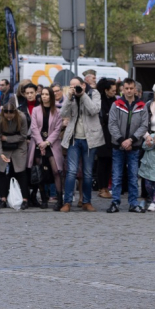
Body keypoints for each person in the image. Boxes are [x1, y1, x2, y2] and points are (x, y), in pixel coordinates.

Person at [59, 76, 104, 212]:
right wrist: (69, 97)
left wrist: (82, 95)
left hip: (90, 139)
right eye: (71, 86)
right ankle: (67, 202)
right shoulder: (70, 97)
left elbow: (94, 110)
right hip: (74, 138)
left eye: (76, 86)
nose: (75, 89)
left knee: (88, 173)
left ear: (83, 85)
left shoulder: (93, 94)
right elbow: (63, 113)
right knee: (71, 171)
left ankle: (86, 201)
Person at [106, 78, 148, 213]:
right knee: (117, 175)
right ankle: (115, 202)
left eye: (131, 88)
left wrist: (131, 140)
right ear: (122, 89)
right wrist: (122, 140)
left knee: (133, 175)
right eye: (126, 88)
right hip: (118, 145)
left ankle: (133, 203)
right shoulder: (116, 104)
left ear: (135, 89)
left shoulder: (142, 105)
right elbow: (112, 124)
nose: (129, 91)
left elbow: (144, 125)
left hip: (134, 146)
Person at [29, 87, 64, 210]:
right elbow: (33, 128)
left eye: (46, 94)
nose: (44, 96)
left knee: (56, 171)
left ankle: (60, 200)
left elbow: (57, 129)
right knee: (40, 172)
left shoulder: (57, 111)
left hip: (52, 144)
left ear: (51, 96)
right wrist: (40, 143)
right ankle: (43, 199)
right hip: (38, 144)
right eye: (42, 94)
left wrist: (47, 142)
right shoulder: (36, 110)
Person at [0, 101, 29, 209]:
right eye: (7, 116)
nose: (9, 118)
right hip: (3, 146)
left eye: (11, 116)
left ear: (15, 113)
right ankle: (3, 198)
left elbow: (24, 136)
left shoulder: (21, 117)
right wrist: (0, 153)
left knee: (21, 171)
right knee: (1, 171)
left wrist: (8, 139)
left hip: (19, 145)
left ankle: (25, 199)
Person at [96, 78, 116, 199]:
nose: (115, 92)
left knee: (109, 162)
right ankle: (101, 187)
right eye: (113, 90)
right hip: (102, 134)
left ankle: (105, 187)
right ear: (106, 90)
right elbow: (105, 117)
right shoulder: (100, 101)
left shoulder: (113, 100)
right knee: (102, 162)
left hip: (111, 135)